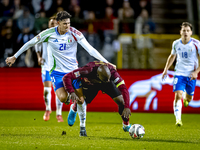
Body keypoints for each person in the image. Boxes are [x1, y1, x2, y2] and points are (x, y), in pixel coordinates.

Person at [5, 11, 113, 111]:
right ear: (58, 23)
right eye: (65, 23)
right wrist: (15, 56)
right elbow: (30, 43)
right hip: (57, 72)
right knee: (63, 98)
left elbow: (90, 49)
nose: (67, 26)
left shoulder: (75, 33)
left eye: (69, 23)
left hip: (73, 71)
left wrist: (106, 62)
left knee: (81, 100)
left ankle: (73, 111)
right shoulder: (48, 33)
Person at [62, 61, 131, 136]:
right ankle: (74, 108)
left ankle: (126, 124)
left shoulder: (113, 73)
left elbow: (124, 89)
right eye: (106, 79)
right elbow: (67, 77)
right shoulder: (86, 70)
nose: (107, 80)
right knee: (82, 100)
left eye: (108, 78)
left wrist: (127, 106)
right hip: (92, 84)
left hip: (107, 84)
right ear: (97, 75)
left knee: (121, 101)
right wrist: (71, 92)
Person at [162, 22, 200, 127]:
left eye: (188, 30)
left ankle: (187, 99)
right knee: (178, 95)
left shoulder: (197, 44)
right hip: (179, 73)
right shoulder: (176, 43)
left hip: (191, 75)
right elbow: (172, 56)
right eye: (184, 30)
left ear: (191, 32)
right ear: (180, 32)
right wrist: (166, 69)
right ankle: (178, 120)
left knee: (188, 98)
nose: (186, 33)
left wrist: (196, 72)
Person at [35, 16, 63, 122]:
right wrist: (39, 57)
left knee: (58, 90)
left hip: (58, 67)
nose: (52, 25)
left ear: (58, 25)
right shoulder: (44, 35)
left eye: (54, 24)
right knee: (47, 90)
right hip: (46, 66)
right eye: (50, 24)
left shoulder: (62, 36)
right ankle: (48, 109)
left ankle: (59, 113)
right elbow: (36, 46)